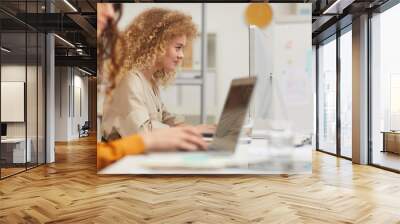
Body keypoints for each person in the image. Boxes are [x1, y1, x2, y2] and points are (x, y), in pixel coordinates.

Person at [97, 3, 207, 170]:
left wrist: (193, 130)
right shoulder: (130, 79)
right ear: (157, 44)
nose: (181, 55)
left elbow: (164, 116)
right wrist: (183, 133)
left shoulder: (149, 81)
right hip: (122, 168)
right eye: (178, 48)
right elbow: (142, 134)